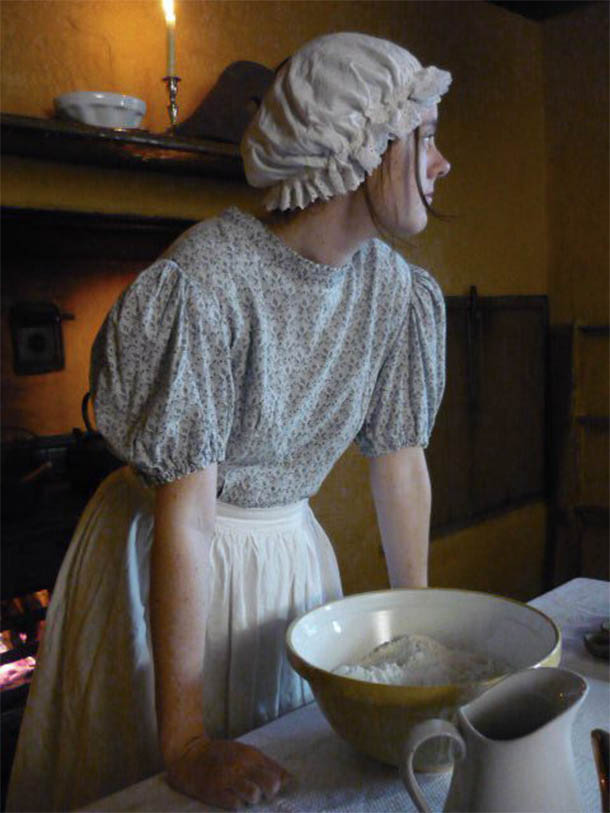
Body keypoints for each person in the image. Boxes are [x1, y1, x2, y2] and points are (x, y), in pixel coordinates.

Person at [7, 31, 451, 812]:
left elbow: (399, 460)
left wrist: (416, 654)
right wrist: (183, 742)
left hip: (288, 564)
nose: (442, 162)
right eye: (426, 136)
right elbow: (188, 517)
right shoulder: (208, 281)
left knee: (282, 778)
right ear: (364, 143)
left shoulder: (394, 291)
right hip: (174, 570)